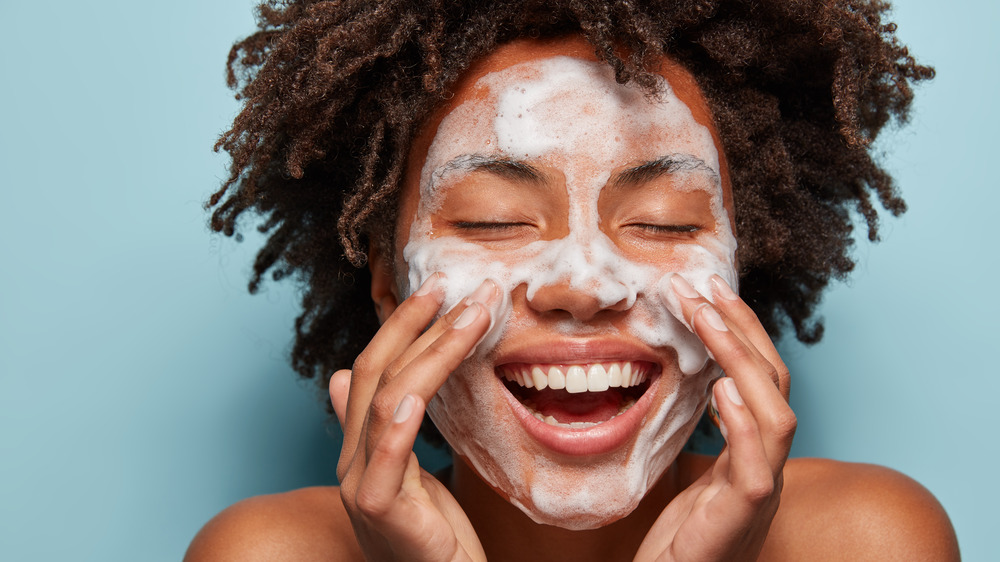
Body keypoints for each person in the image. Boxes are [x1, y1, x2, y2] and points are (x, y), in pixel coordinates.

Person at [186, 0, 959, 559]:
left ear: (736, 272)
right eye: (495, 220)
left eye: (664, 223)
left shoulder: (868, 540)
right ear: (389, 287)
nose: (584, 284)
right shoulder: (266, 553)